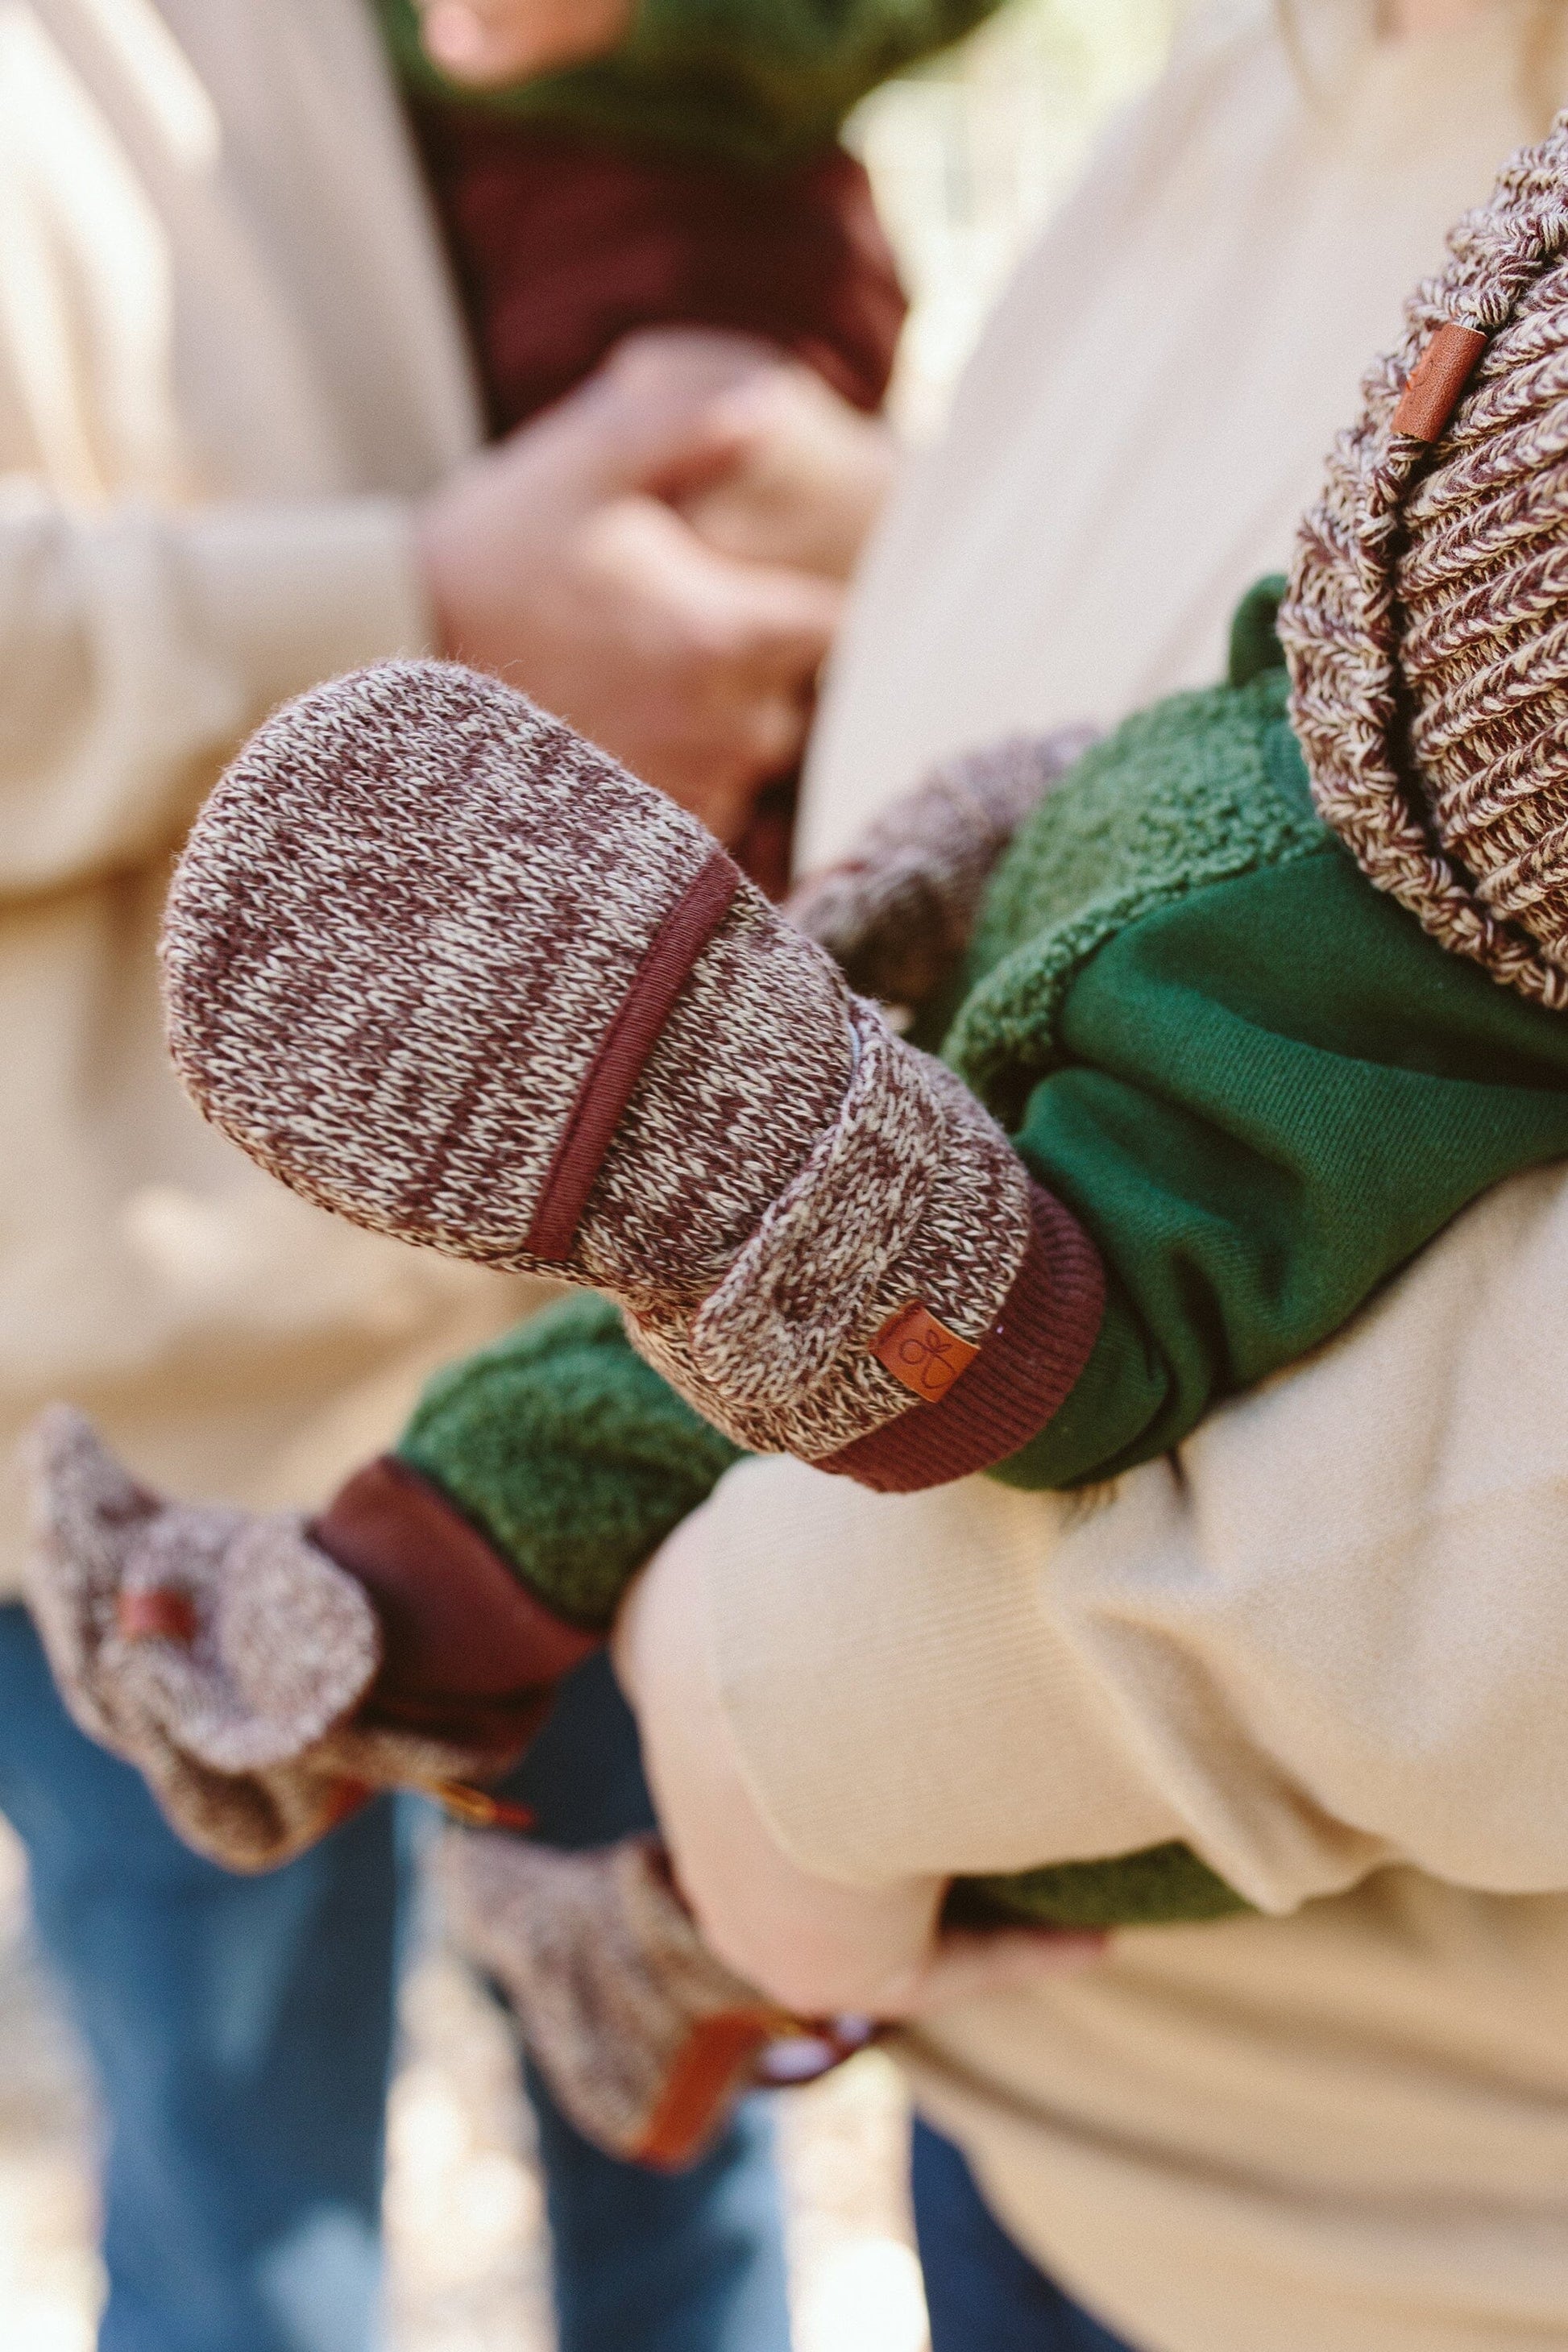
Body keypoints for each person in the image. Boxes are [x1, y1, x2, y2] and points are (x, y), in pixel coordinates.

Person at [0, 2, 986, 2345]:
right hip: (149, 1419)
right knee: (255, 2252)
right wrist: (416, 597)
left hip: (586, 1330)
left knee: (685, 2148)